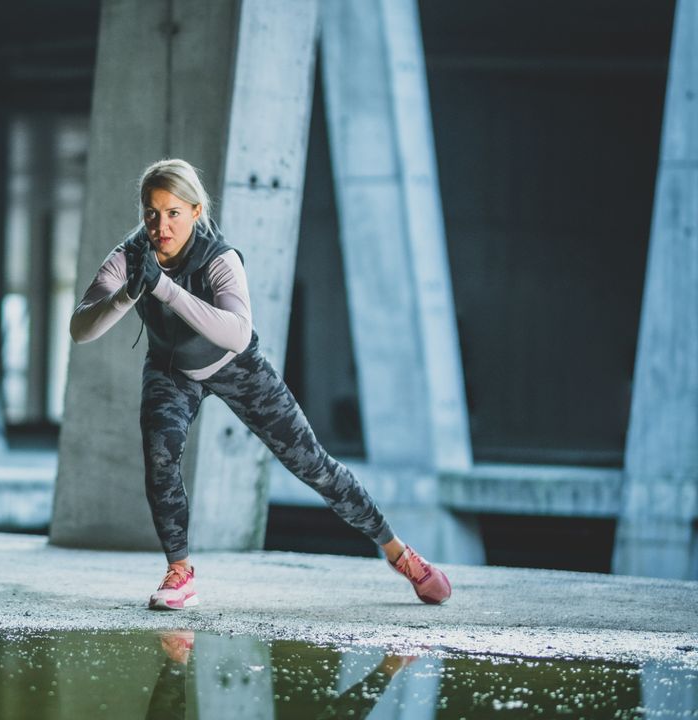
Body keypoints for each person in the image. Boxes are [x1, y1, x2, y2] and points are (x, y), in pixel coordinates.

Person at [69, 158, 452, 610]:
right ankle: (179, 572)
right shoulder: (130, 254)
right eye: (152, 213)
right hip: (171, 370)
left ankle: (400, 553)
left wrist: (166, 290)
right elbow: (81, 329)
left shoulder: (220, 258)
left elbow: (237, 334)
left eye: (174, 213)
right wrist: (129, 292)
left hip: (237, 366)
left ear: (196, 211)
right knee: (160, 455)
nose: (161, 225)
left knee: (315, 466)